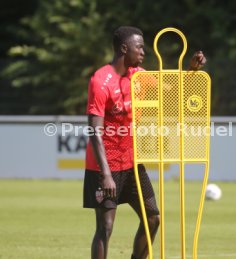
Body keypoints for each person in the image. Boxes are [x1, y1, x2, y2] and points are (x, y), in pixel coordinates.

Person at [83, 26, 206, 259]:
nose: (143, 51)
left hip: (132, 163)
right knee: (105, 227)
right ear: (123, 48)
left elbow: (172, 91)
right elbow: (94, 132)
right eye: (139, 47)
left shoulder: (138, 75)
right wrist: (106, 174)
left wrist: (190, 70)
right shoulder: (100, 80)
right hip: (104, 165)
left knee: (153, 218)